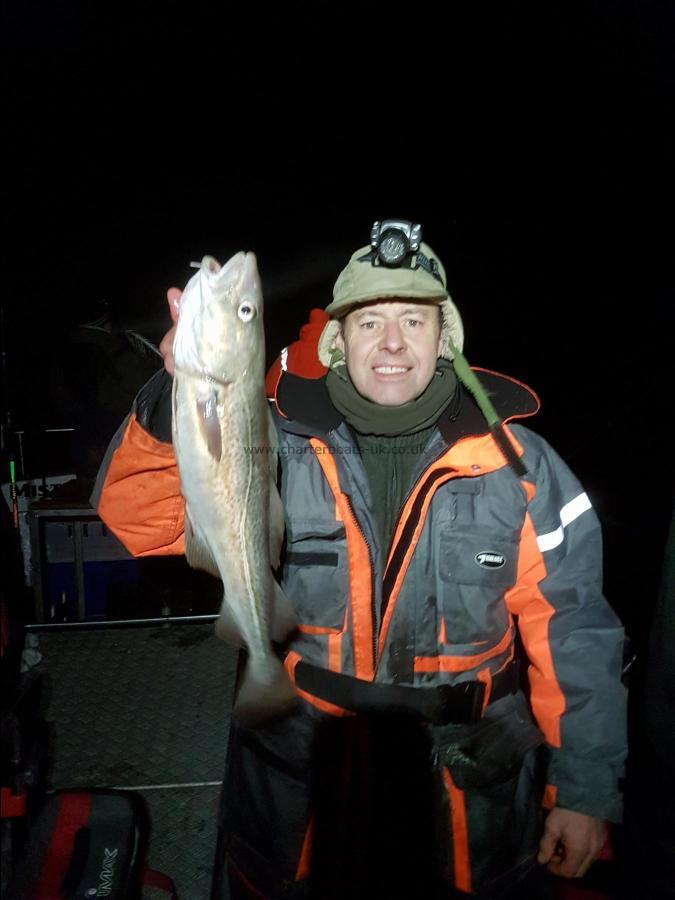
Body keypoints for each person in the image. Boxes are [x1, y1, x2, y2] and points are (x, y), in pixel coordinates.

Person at [92, 220, 627, 899]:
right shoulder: (270, 439)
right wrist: (175, 394)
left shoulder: (521, 466)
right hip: (303, 774)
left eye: (414, 319)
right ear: (336, 340)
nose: (393, 343)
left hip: (468, 784)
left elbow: (573, 628)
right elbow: (142, 521)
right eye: (368, 322)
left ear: (446, 338)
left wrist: (582, 790)